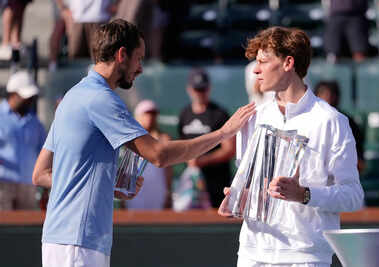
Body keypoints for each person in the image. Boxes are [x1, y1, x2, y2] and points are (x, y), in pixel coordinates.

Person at [32, 19, 255, 267]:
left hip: (61, 237)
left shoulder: (73, 97)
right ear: (121, 54)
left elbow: (41, 174)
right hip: (78, 241)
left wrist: (103, 183)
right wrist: (224, 132)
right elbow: (159, 155)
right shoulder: (101, 99)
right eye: (139, 59)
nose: (140, 68)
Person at [219, 26, 364, 267]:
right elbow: (250, 183)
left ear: (288, 63)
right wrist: (240, 197)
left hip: (305, 256)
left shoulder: (332, 121)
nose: (256, 70)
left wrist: (304, 194)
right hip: (251, 253)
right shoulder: (252, 117)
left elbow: (353, 196)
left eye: (264, 61)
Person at [178, 68, 236, 208]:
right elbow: (181, 145)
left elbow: (229, 150)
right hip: (193, 182)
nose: (200, 93)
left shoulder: (219, 114)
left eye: (203, 89)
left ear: (209, 88)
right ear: (189, 89)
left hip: (216, 183)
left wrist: (203, 160)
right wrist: (189, 159)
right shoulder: (184, 114)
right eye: (197, 89)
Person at [0, 71, 46, 210]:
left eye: (31, 97)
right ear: (13, 94)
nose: (29, 100)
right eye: (26, 96)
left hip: (28, 185)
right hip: (3, 184)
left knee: (26, 228)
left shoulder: (35, 123)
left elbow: (43, 152)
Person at [125, 99, 173, 209]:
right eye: (147, 114)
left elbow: (168, 170)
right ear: (138, 116)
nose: (150, 117)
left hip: (157, 195)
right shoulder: (129, 139)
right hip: (134, 197)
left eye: (153, 114)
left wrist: (168, 193)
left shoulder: (164, 139)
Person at [314, 80, 365, 172]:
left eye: (330, 95)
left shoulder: (347, 122)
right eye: (322, 94)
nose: (327, 98)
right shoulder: (308, 121)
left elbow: (359, 163)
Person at [55, 0, 120, 59]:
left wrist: (116, 5)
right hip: (77, 19)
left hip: (100, 19)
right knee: (75, 55)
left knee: (100, 55)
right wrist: (64, 9)